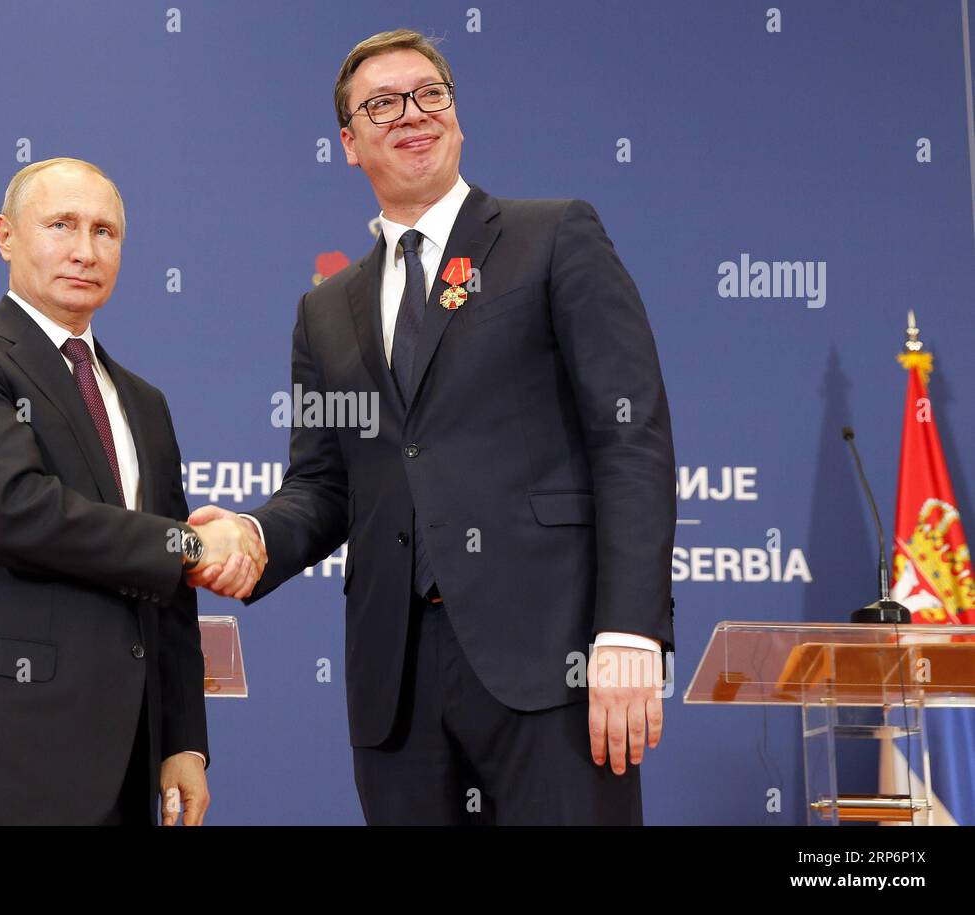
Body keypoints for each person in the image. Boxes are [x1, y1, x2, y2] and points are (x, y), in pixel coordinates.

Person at [190, 30, 676, 825]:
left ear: (456, 117)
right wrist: (251, 535)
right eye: (381, 104)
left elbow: (632, 436)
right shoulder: (326, 307)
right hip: (398, 682)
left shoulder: (551, 236)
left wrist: (628, 629)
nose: (411, 114)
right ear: (347, 143)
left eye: (429, 94)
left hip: (552, 662)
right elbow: (324, 486)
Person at [0, 158, 264, 826]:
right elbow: (18, 511)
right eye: (62, 225)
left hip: (122, 769)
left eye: (105, 232)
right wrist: (194, 542)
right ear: (5, 235)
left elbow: (166, 590)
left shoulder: (144, 400)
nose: (86, 250)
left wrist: (184, 741)